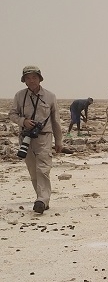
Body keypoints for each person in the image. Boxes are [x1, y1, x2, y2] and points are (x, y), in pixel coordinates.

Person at [10, 66, 63, 214]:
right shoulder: (19, 96)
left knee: (43, 169)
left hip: (44, 137)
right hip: (26, 139)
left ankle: (42, 200)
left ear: (39, 78)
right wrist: (23, 121)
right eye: (28, 78)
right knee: (33, 171)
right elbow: (12, 115)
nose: (31, 80)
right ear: (24, 81)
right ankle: (41, 199)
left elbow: (56, 120)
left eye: (34, 77)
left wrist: (59, 141)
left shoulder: (50, 96)